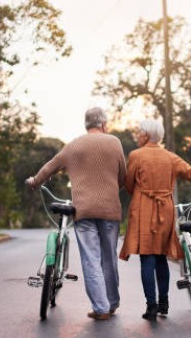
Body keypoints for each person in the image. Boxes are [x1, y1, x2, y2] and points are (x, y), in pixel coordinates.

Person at [26, 107, 126, 321]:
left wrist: (35, 182)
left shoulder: (73, 146)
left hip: (84, 211)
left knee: (91, 258)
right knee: (109, 258)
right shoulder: (114, 142)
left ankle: (101, 308)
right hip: (110, 209)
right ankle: (113, 302)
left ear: (86, 124)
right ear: (104, 124)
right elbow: (123, 176)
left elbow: (49, 167)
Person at [119, 119, 191, 321]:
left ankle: (152, 306)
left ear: (146, 135)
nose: (138, 136)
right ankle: (164, 302)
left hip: (143, 209)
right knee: (161, 256)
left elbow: (129, 185)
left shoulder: (136, 156)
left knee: (146, 257)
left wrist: (141, 190)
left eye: (139, 133)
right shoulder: (170, 157)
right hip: (165, 209)